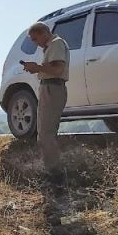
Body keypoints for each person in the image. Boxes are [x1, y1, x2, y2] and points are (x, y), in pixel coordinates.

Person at [22, 21, 70, 183]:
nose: (35, 43)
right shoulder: (51, 47)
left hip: (52, 88)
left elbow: (57, 69)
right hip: (50, 88)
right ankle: (53, 171)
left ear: (44, 33)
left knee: (46, 134)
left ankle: (55, 174)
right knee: (44, 133)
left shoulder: (56, 44)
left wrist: (37, 68)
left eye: (35, 39)